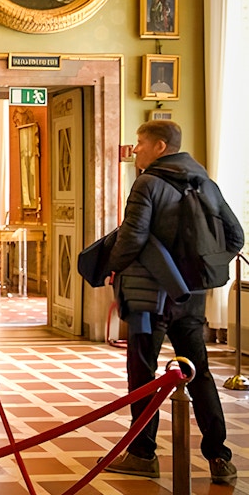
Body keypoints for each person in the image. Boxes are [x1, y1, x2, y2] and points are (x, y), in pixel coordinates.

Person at [104, 120, 243, 485]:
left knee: (142, 373)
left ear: (160, 146)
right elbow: (236, 236)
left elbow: (132, 238)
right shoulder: (205, 182)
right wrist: (204, 272)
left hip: (149, 294)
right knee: (200, 374)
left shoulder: (147, 182)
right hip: (192, 297)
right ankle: (220, 458)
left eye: (140, 143)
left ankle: (142, 455)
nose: (135, 150)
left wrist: (111, 267)